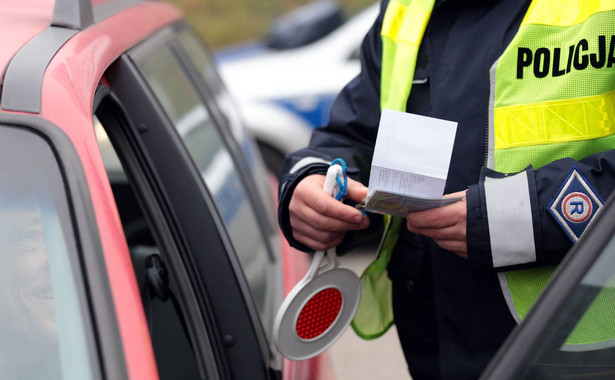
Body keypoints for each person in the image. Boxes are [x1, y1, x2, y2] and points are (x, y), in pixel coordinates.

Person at [277, 0, 615, 379]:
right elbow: (355, 133)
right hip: (434, 348)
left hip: (576, 351)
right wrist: (313, 182)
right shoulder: (406, 8)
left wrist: (510, 218)